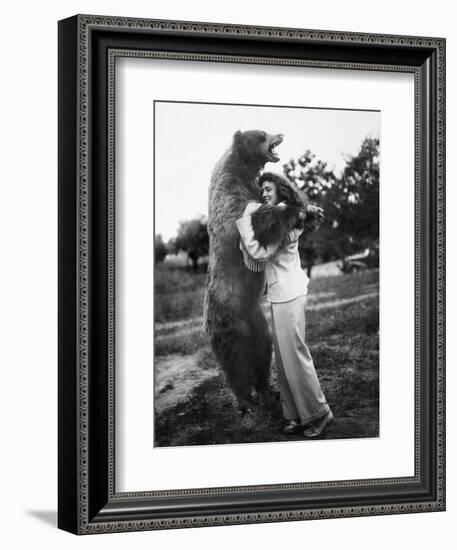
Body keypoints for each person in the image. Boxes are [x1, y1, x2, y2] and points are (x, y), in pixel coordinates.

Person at [236, 172, 333, 438]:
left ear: (281, 190)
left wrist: (246, 224)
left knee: (296, 356)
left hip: (290, 293)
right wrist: (302, 209)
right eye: (262, 190)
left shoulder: (285, 219)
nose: (264, 193)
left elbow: (259, 252)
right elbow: (260, 211)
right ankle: (297, 415)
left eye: (268, 188)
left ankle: (320, 413)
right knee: (285, 359)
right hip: (280, 294)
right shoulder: (280, 215)